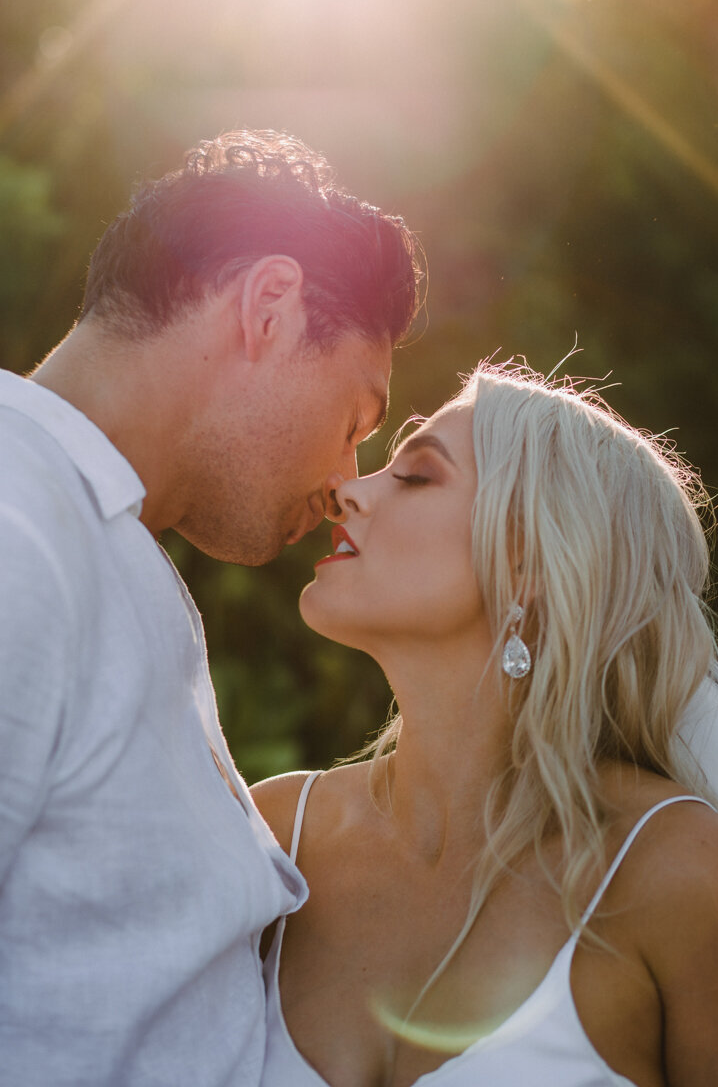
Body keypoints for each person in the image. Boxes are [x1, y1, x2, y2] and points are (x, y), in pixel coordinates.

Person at [0, 129, 422, 1087]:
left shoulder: (96, 539)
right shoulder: (18, 522)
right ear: (269, 308)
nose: (344, 480)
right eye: (356, 420)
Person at [252, 360, 718, 1087]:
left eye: (415, 477)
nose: (344, 491)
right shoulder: (271, 840)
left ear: (529, 561)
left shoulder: (686, 879)